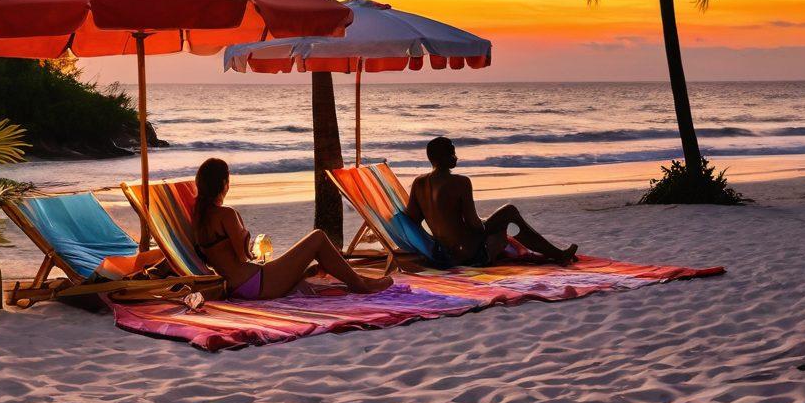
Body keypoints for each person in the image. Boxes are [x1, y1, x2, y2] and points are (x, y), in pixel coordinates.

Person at [192, 158, 393, 299]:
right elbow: (243, 256)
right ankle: (360, 285)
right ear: (224, 183)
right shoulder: (225, 214)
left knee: (311, 260)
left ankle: (359, 279)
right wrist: (244, 234)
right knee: (318, 238)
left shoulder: (199, 217)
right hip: (255, 283)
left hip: (239, 286)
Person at [405, 136, 578, 267]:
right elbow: (474, 225)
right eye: (452, 152)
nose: (456, 156)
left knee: (501, 222)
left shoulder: (419, 183)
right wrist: (489, 223)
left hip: (446, 252)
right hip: (470, 255)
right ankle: (557, 254)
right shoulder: (460, 182)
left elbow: (412, 220)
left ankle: (551, 252)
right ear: (442, 157)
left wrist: (434, 241)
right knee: (509, 211)